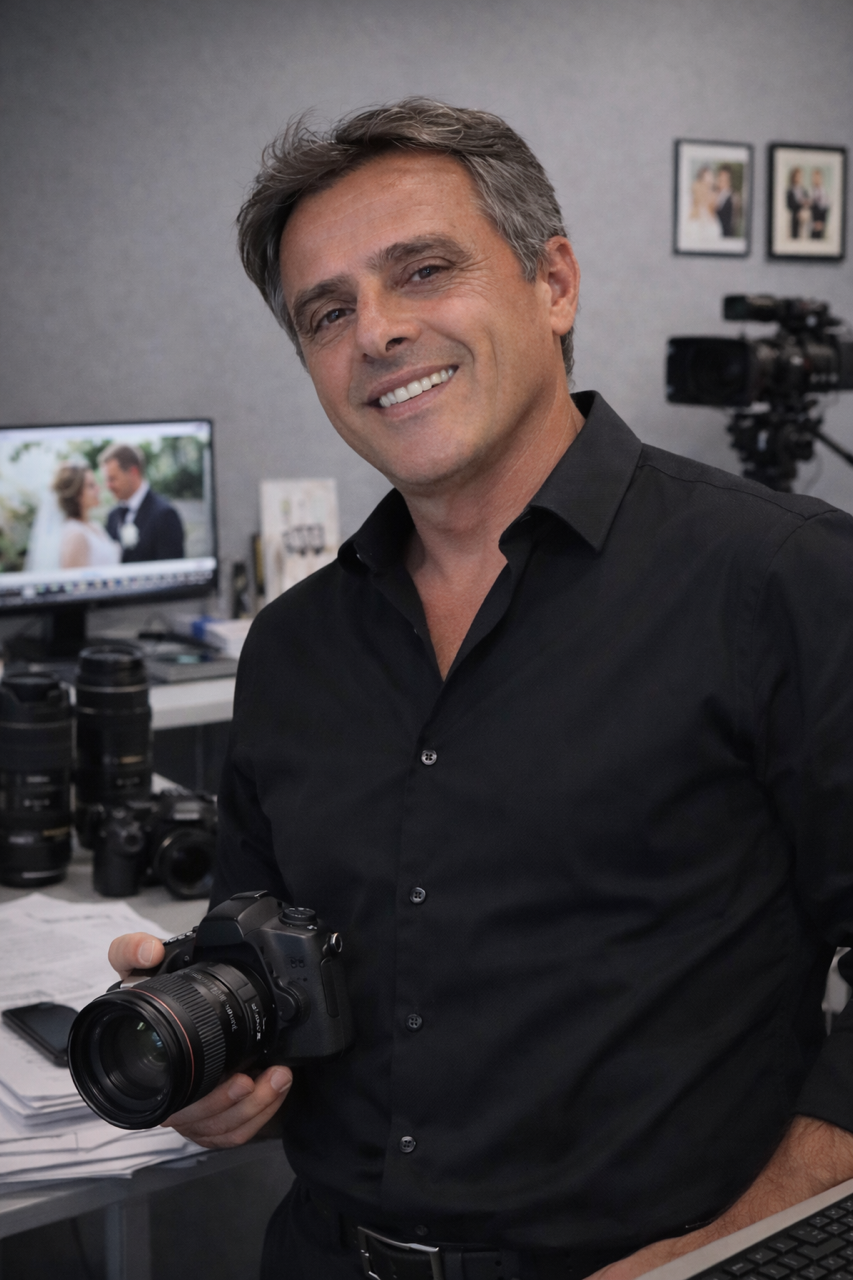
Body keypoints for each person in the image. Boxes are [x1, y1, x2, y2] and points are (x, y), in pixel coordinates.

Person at [110, 100, 853, 1280]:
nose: (378, 332)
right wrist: (221, 1053)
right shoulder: (293, 646)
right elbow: (263, 929)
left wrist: (767, 1227)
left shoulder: (783, 576)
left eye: (423, 271)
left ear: (552, 281)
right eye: (328, 311)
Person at [100, 443, 185, 561]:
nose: (108, 486)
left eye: (112, 479)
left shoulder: (165, 515)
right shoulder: (112, 516)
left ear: (133, 472)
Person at [51, 464, 121, 569]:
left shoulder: (95, 526)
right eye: (91, 486)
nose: (98, 489)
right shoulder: (75, 534)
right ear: (77, 495)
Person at [786, 166, 810, 239]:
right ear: (793, 177)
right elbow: (789, 205)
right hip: (794, 218)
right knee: (795, 236)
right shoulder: (790, 191)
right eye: (797, 176)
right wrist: (800, 204)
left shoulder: (804, 190)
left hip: (804, 217)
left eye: (800, 176)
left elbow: (808, 202)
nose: (799, 178)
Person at [715, 164, 735, 236]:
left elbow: (731, 223)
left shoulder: (732, 198)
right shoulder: (714, 194)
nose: (721, 180)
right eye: (720, 177)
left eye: (724, 179)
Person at [810, 167, 830, 239]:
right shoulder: (810, 192)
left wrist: (821, 222)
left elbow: (826, 208)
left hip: (821, 223)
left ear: (822, 178)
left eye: (818, 177)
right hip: (811, 224)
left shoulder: (824, 193)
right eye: (814, 177)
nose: (816, 179)